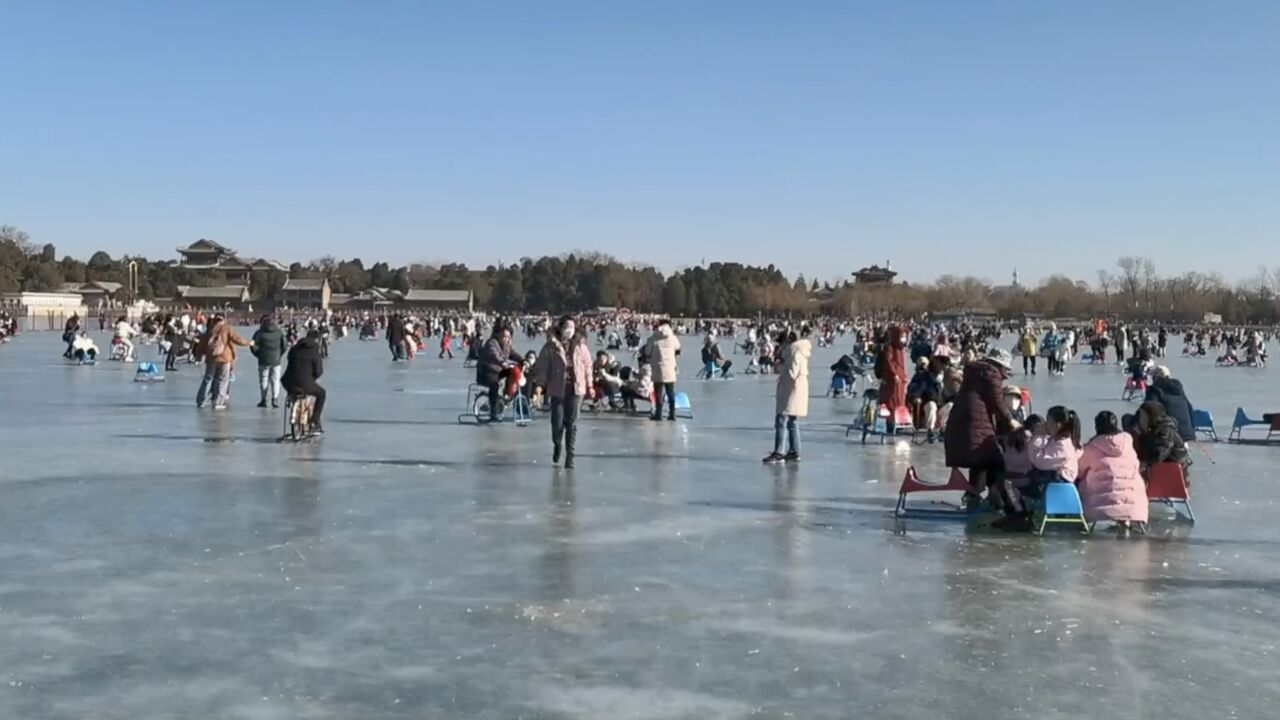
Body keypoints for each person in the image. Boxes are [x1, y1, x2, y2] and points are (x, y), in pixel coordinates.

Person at [944, 348, 1019, 508]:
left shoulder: (974, 372)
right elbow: (997, 401)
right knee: (994, 459)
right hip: (975, 422)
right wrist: (1011, 420)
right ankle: (994, 497)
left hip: (962, 420)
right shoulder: (991, 373)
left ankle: (974, 495)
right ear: (1000, 365)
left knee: (979, 459)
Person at [533, 316, 593, 468]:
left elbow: (588, 366)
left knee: (572, 423)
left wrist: (590, 385)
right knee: (557, 423)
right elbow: (542, 367)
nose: (570, 330)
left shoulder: (581, 345)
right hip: (557, 389)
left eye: (572, 327)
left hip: (575, 388)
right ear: (560, 328)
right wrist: (540, 385)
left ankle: (570, 456)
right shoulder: (551, 346)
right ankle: (557, 443)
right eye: (567, 326)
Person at [1077, 411, 1148, 535]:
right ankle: (1125, 520)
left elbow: (1079, 471)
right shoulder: (1128, 444)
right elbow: (1136, 465)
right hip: (1135, 503)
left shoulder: (1091, 448)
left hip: (1100, 504)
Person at [764, 328, 811, 463]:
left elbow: (792, 373)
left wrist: (781, 367)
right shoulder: (800, 351)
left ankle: (779, 451)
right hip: (796, 390)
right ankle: (794, 450)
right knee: (792, 421)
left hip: (791, 390)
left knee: (781, 419)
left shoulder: (794, 353)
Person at [194, 315, 250, 410]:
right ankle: (218, 402)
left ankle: (201, 401)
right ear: (223, 320)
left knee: (208, 378)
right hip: (224, 358)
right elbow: (237, 339)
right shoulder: (227, 328)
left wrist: (198, 357)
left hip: (211, 358)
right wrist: (249, 342)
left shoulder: (210, 330)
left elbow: (201, 344)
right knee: (222, 380)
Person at [282, 329, 327, 434]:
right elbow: (319, 371)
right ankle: (314, 421)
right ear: (316, 340)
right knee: (321, 394)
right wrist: (312, 378)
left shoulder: (294, 349)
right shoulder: (314, 352)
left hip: (287, 381)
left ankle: (291, 396)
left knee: (293, 389)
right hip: (305, 382)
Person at [477, 322, 523, 422]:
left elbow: (513, 354)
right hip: (486, 371)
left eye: (508, 337)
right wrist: (502, 362)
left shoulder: (507, 346)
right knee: (494, 385)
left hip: (498, 371)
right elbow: (494, 354)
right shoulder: (492, 342)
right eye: (504, 336)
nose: (505, 339)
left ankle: (507, 394)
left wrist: (523, 360)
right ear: (499, 334)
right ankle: (493, 411)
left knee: (513, 372)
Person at [1134, 401, 1191, 478]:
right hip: (1162, 472)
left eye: (1142, 416)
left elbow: (1159, 455)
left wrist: (1143, 462)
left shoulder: (1166, 431)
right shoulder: (1152, 430)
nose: (1140, 419)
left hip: (1173, 476)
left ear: (1151, 416)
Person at [1144, 366, 1196, 442]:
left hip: (1168, 434)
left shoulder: (1155, 390)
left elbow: (1148, 409)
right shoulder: (1178, 389)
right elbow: (1190, 408)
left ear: (1156, 377)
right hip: (1187, 433)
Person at [645, 319, 681, 421]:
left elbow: (647, 352)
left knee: (658, 392)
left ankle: (658, 414)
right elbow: (678, 348)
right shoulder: (673, 338)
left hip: (658, 367)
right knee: (670, 392)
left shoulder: (653, 338)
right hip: (670, 368)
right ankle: (672, 414)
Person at [875, 325, 908, 434]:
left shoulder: (900, 349)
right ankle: (891, 423)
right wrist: (894, 374)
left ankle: (899, 422)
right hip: (893, 380)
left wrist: (904, 375)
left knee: (900, 401)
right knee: (892, 402)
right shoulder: (890, 348)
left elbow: (902, 364)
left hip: (900, 380)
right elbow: (889, 363)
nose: (904, 338)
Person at [251, 315, 288, 409]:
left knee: (264, 379)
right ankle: (274, 399)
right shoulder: (279, 332)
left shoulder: (259, 333)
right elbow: (284, 345)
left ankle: (263, 400)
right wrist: (279, 355)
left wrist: (258, 355)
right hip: (276, 361)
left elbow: (253, 345)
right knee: (275, 380)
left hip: (263, 360)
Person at [905, 357, 942, 442]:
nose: (923, 366)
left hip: (938, 403)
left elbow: (939, 390)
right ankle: (930, 430)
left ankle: (944, 429)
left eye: (925, 364)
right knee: (931, 405)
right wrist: (916, 396)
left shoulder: (933, 376)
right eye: (921, 364)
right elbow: (911, 390)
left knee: (950, 406)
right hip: (925, 403)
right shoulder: (917, 378)